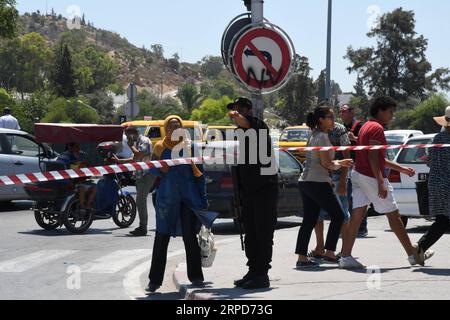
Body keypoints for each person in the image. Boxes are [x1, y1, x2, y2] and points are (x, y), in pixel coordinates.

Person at [339, 97, 433, 269]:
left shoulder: (366, 126)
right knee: (394, 216)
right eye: (390, 111)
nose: (392, 115)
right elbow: (374, 157)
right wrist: (381, 181)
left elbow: (376, 157)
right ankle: (413, 255)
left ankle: (345, 256)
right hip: (371, 177)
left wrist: (401, 168)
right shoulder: (376, 128)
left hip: (358, 174)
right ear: (381, 111)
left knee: (356, 216)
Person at [146, 115, 209, 293]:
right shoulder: (159, 147)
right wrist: (160, 169)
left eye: (178, 125)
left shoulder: (191, 147)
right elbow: (151, 167)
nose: (174, 127)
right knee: (161, 237)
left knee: (190, 237)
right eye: (171, 125)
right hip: (167, 198)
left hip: (188, 198)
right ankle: (154, 281)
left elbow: (200, 174)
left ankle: (196, 277)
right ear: (166, 128)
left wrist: (203, 199)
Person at [228, 97, 279, 290]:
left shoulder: (258, 125)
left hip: (265, 188)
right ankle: (253, 270)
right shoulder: (240, 132)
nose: (235, 113)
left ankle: (262, 274)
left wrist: (236, 114)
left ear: (248, 111)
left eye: (239, 109)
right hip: (249, 190)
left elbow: (244, 121)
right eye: (234, 109)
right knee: (250, 233)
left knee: (263, 232)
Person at [295, 104, 353, 268]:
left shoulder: (314, 135)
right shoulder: (322, 137)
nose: (334, 120)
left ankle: (302, 257)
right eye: (330, 117)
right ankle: (329, 252)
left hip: (306, 182)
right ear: (321, 120)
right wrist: (341, 163)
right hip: (317, 182)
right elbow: (326, 163)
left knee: (309, 219)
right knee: (339, 215)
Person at [308, 118, 352, 260]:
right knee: (318, 215)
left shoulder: (340, 130)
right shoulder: (314, 132)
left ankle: (345, 251)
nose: (332, 120)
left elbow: (347, 156)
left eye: (332, 117)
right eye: (329, 117)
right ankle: (320, 248)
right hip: (321, 178)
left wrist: (343, 181)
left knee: (343, 214)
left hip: (339, 176)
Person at [416, 107, 450, 260]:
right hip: (448, 184)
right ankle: (418, 249)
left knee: (443, 220)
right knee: (443, 220)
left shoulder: (437, 138)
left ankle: (419, 249)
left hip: (436, 183)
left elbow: (429, 161)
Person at [113, 126, 155, 236]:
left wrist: (131, 146)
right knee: (141, 201)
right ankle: (142, 226)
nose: (127, 138)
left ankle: (143, 227)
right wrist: (119, 161)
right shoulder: (137, 143)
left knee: (140, 200)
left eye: (127, 136)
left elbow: (139, 155)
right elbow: (134, 159)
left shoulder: (144, 141)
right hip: (139, 175)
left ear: (132, 134)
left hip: (147, 174)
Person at [340, 104, 368, 237]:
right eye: (341, 111)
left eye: (345, 111)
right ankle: (350, 226)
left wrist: (355, 139)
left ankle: (361, 228)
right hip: (346, 166)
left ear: (352, 112)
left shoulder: (359, 126)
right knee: (348, 198)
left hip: (358, 166)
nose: (342, 114)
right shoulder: (341, 128)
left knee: (357, 198)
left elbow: (367, 145)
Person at [57, 143, 96, 214]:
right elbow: (74, 169)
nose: (79, 148)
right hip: (69, 182)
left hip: (67, 180)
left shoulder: (63, 155)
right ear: (70, 146)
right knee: (92, 188)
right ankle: (84, 206)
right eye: (77, 146)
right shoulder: (69, 157)